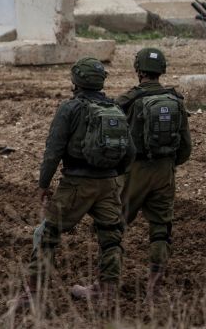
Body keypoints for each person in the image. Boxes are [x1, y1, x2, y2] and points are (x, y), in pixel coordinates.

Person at [19, 57, 135, 309]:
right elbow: (129, 152)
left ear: (76, 81)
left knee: (47, 234)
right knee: (111, 237)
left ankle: (32, 295)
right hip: (108, 184)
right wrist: (115, 177)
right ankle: (106, 292)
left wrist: (43, 184)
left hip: (76, 184)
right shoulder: (114, 109)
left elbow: (53, 151)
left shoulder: (69, 109)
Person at [110, 47, 191, 299]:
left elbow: (114, 140)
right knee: (160, 229)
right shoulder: (175, 100)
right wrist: (168, 164)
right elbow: (186, 148)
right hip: (165, 171)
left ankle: (106, 286)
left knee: (114, 226)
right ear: (162, 70)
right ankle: (154, 290)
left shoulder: (128, 100)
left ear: (138, 70)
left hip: (134, 171)